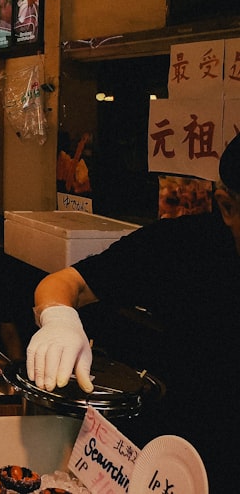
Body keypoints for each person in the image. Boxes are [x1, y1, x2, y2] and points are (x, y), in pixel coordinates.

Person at [25, 133, 240, 490]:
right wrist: (59, 319)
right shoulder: (183, 246)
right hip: (173, 468)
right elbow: (65, 283)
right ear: (228, 208)